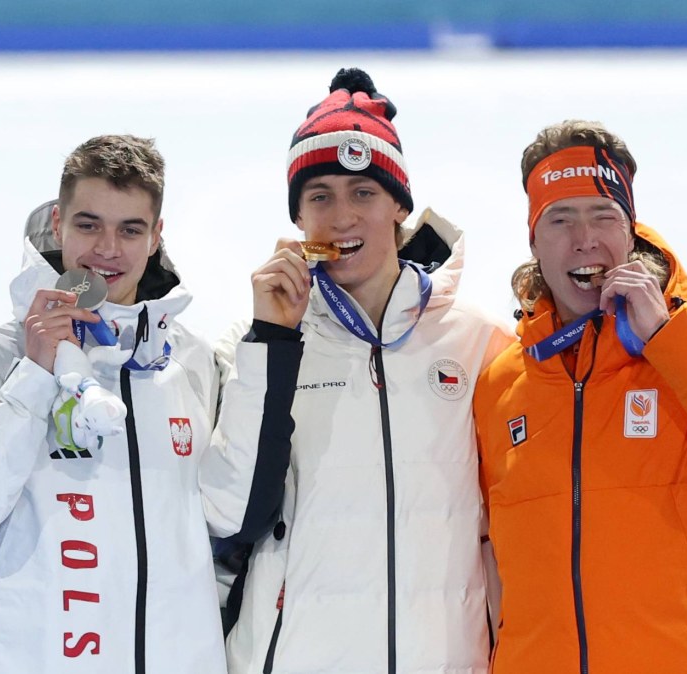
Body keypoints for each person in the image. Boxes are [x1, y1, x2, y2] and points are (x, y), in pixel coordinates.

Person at [472, 120, 687, 673]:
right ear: (534, 242)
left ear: (631, 233)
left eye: (603, 216)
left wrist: (671, 339)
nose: (584, 238)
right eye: (560, 219)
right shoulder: (499, 384)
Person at [199, 68, 513, 673]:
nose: (342, 217)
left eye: (363, 193)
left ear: (398, 204)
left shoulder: (480, 341)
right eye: (320, 196)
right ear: (297, 218)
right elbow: (226, 511)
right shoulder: (250, 344)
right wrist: (271, 341)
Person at [0, 135, 227, 673]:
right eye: (89, 224)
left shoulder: (193, 363)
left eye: (130, 229)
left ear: (156, 237)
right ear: (57, 224)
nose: (107, 248)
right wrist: (33, 377)